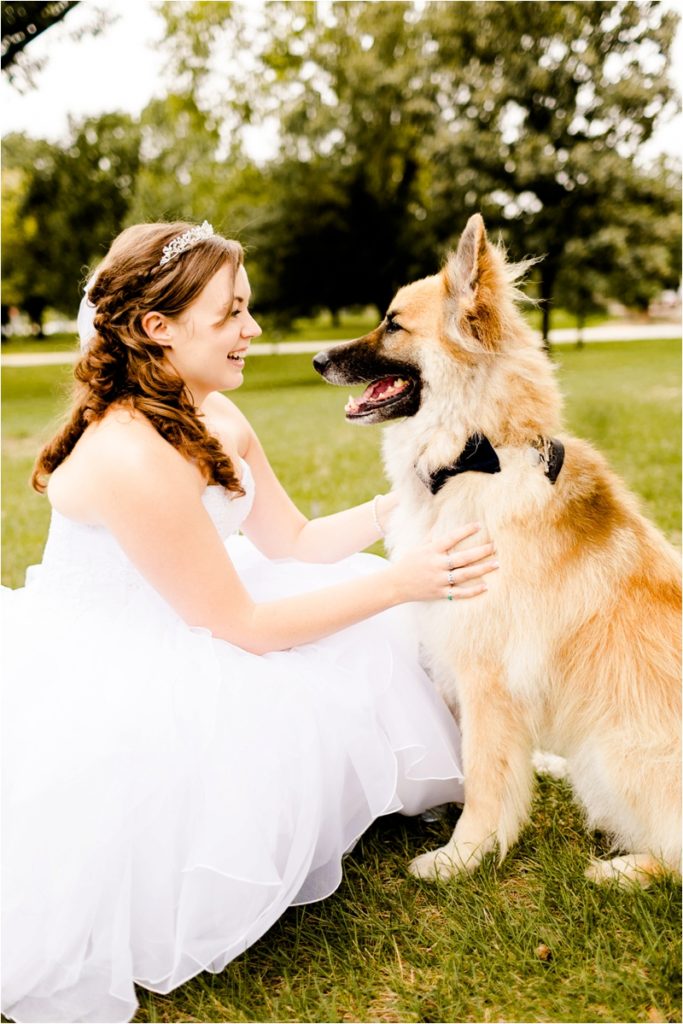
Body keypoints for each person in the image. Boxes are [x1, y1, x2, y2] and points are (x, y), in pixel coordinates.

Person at [1, 221, 498, 1024]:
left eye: (249, 309)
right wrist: (402, 583)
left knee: (361, 613)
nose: (253, 331)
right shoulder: (129, 454)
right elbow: (244, 626)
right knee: (332, 649)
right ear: (158, 328)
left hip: (212, 606)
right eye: (231, 313)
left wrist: (408, 497)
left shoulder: (219, 416)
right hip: (135, 649)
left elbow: (291, 542)